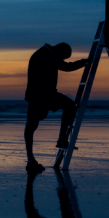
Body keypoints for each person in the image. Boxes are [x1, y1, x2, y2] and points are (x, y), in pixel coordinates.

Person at [24, 43, 88, 173]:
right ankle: (61, 139)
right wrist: (84, 62)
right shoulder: (47, 55)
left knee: (31, 126)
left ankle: (31, 158)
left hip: (37, 95)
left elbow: (62, 65)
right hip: (42, 95)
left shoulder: (44, 53)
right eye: (63, 57)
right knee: (69, 106)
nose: (62, 59)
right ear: (59, 50)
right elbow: (66, 67)